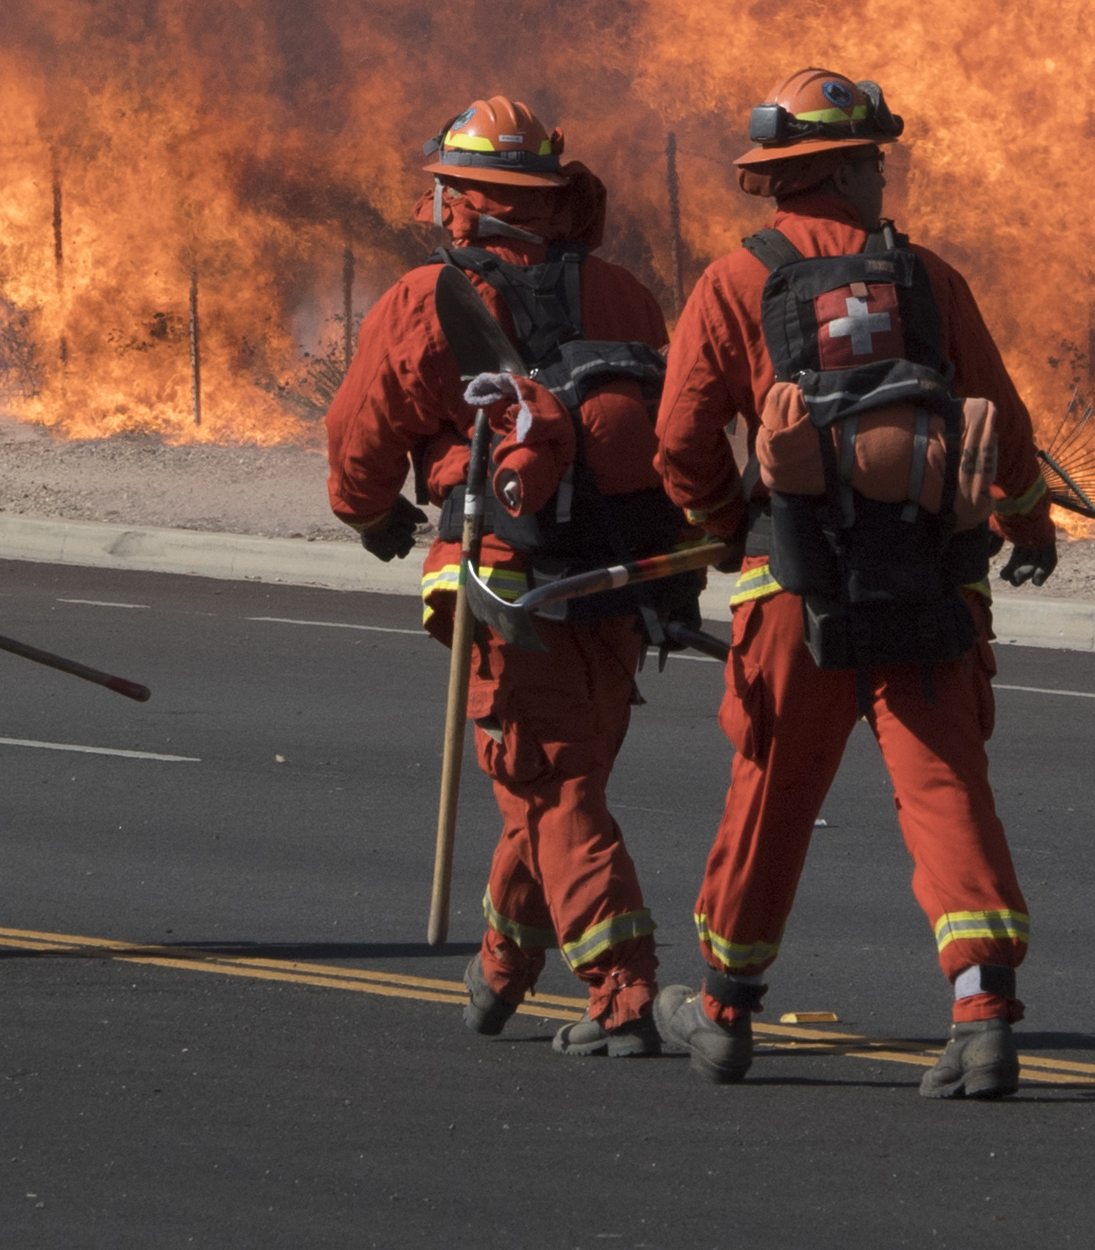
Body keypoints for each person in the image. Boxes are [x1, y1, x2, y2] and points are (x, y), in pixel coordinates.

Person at [649, 69, 1057, 1100]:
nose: (883, 174)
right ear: (838, 168)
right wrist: (1023, 520)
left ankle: (727, 1010)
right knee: (942, 786)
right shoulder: (927, 280)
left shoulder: (735, 283)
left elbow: (681, 438)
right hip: (931, 581)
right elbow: (999, 423)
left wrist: (719, 525)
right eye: (872, 159)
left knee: (772, 791)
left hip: (793, 586)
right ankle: (981, 1015)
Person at [324, 98, 684, 1055]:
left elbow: (358, 446)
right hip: (619, 575)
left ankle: (624, 989)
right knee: (558, 776)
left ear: (460, 202)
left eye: (444, 190)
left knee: (551, 784)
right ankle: (500, 966)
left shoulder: (423, 300)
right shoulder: (624, 294)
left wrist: (374, 519)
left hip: (504, 580)